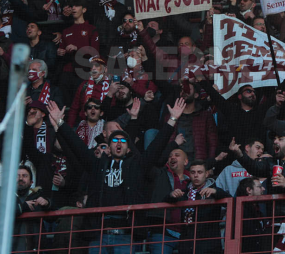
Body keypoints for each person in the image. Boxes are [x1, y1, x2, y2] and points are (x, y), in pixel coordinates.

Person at [46, 98, 186, 253]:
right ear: (109, 145)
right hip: (98, 234)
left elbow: (156, 147)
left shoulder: (137, 166)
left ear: (128, 148)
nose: (119, 143)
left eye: (123, 141)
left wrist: (172, 120)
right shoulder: (96, 165)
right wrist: (60, 122)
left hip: (125, 236)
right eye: (114, 140)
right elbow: (77, 146)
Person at [228, 122, 285, 252]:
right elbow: (255, 169)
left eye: (280, 139)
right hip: (273, 222)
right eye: (274, 139)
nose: (275, 142)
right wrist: (239, 154)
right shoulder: (270, 162)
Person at [166, 160, 230, 254]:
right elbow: (164, 202)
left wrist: (216, 192)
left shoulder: (214, 191)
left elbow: (231, 201)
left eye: (199, 172)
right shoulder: (184, 192)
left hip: (209, 245)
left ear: (206, 174)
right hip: (187, 244)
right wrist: (171, 195)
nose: (196, 175)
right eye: (193, 172)